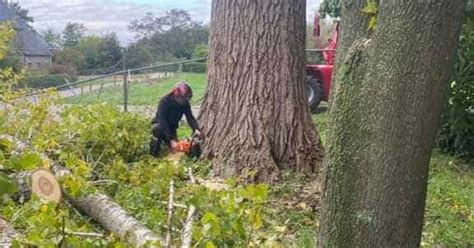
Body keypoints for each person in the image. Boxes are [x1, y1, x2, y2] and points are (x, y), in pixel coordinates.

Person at [149, 81, 201, 157]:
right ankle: (154, 155)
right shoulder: (164, 101)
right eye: (183, 98)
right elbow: (162, 121)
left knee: (177, 151)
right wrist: (171, 140)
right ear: (176, 95)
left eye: (187, 99)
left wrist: (195, 128)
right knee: (157, 129)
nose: (185, 101)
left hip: (172, 129)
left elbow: (190, 117)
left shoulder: (185, 104)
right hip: (161, 126)